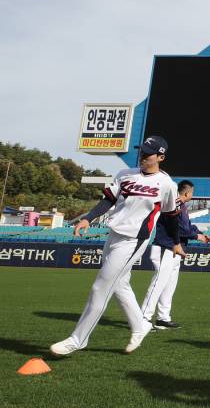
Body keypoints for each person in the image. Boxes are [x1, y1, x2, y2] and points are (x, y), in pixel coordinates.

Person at [50, 136, 181, 356]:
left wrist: (176, 242)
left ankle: (78, 339)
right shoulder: (125, 174)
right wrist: (88, 218)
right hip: (113, 235)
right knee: (120, 283)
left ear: (161, 157)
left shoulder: (167, 184)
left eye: (148, 154)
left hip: (134, 240)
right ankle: (141, 326)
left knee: (100, 287)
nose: (143, 156)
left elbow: (171, 216)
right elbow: (108, 200)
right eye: (142, 151)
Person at [140, 180, 210, 329]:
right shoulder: (176, 203)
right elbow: (182, 229)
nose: (192, 194)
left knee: (169, 285)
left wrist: (198, 233)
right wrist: (197, 236)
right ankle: (143, 319)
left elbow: (187, 227)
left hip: (175, 249)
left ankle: (163, 318)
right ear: (187, 192)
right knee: (158, 284)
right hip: (166, 247)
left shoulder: (181, 205)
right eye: (192, 192)